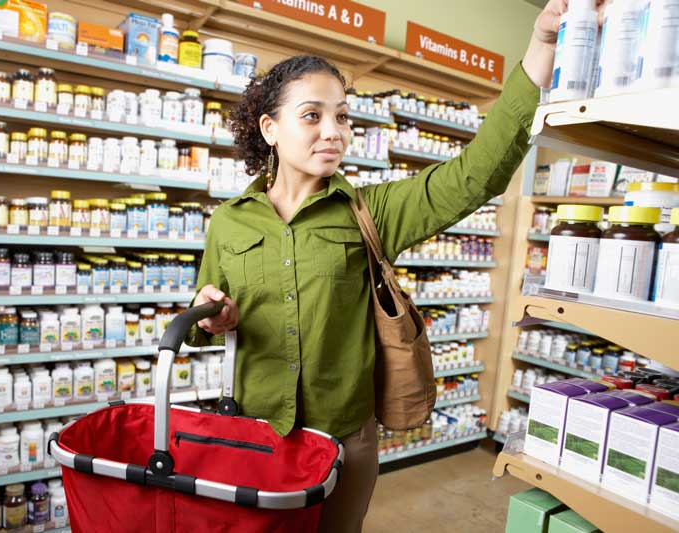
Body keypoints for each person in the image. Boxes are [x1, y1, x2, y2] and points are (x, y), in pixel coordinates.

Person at [185, 0, 599, 530]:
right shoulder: (229, 222)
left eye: (341, 116)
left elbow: (476, 177)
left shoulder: (371, 211)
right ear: (270, 128)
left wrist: (541, 46)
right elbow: (204, 318)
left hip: (345, 437)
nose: (332, 131)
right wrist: (212, 317)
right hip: (257, 432)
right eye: (312, 115)